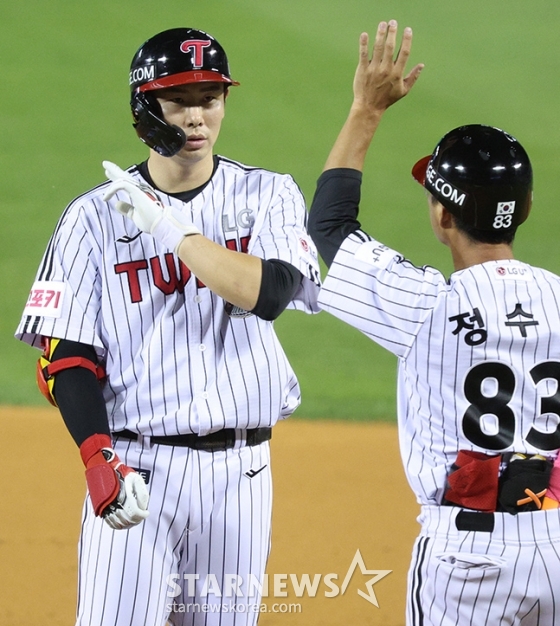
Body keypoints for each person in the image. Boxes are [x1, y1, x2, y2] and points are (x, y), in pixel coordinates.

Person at [15, 27, 320, 626]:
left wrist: (166, 227)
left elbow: (271, 293)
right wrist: (96, 455)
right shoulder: (91, 218)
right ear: (143, 109)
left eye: (211, 97)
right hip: (138, 470)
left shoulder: (266, 195)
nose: (198, 115)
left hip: (242, 475)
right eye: (179, 98)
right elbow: (69, 354)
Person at [308, 19, 560, 626]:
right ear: (522, 211)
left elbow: (330, 228)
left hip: (468, 559)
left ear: (443, 215)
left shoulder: (425, 305)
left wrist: (367, 109)